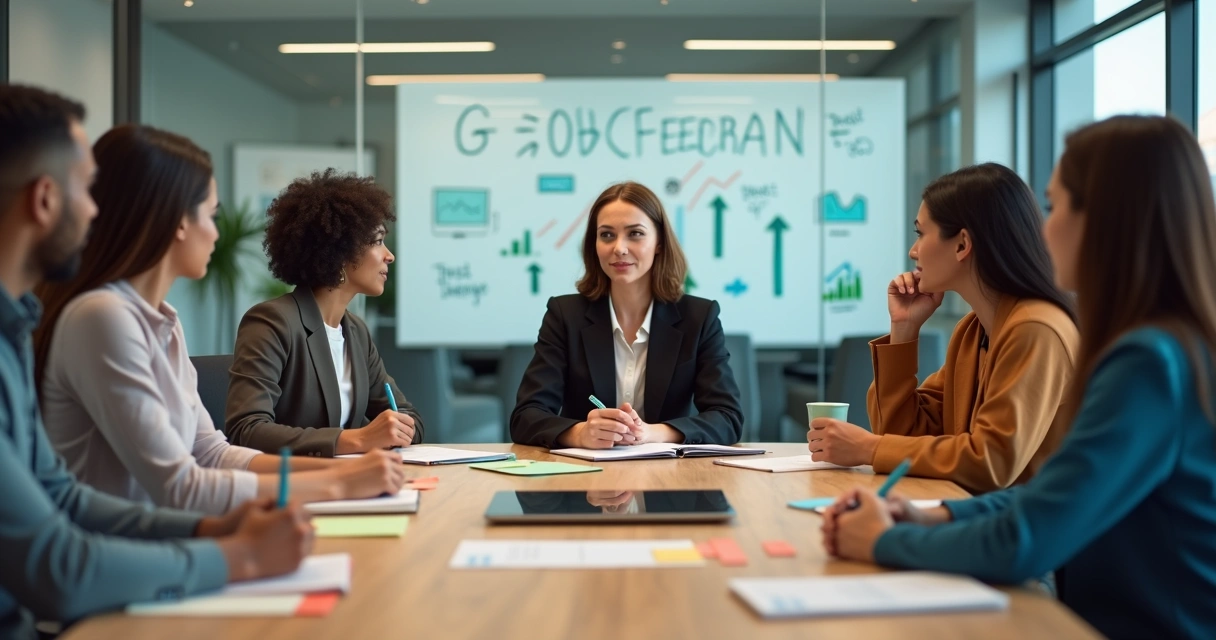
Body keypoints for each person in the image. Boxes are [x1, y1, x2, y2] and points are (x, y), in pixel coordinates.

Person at [822, 115, 1216, 639]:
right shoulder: (1157, 348)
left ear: (1106, 220)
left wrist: (882, 539)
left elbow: (1023, 526)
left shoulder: (1146, 362)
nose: (1043, 228)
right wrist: (931, 517)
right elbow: (1051, 492)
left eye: (1055, 206)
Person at [0, 84, 312, 640]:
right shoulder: (92, 316)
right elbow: (56, 566)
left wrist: (212, 528)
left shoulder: (14, 330)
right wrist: (236, 556)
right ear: (45, 200)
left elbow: (64, 497)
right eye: (86, 190)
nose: (97, 210)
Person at [34, 124, 406, 516]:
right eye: (211, 215)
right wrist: (340, 481)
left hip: (166, 543)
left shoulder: (165, 322)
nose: (215, 233)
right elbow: (180, 487)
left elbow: (211, 453)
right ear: (178, 221)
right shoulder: (103, 318)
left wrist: (351, 468)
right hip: (121, 556)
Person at [808, 163, 1078, 493]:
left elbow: (990, 462)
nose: (913, 251)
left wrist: (868, 448)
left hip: (1029, 537)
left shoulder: (1037, 329)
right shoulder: (973, 331)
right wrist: (903, 329)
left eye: (921, 233)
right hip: (979, 517)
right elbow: (904, 436)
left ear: (963, 245)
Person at [510, 181, 743, 449]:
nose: (619, 248)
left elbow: (728, 419)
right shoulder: (565, 315)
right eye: (607, 235)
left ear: (659, 243)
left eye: (635, 234)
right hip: (586, 480)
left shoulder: (699, 317)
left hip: (670, 480)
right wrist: (579, 433)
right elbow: (525, 417)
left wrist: (652, 433)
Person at [225, 169, 423, 456]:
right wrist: (355, 440)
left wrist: (402, 428)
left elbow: (408, 416)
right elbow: (246, 428)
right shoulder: (272, 322)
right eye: (378, 241)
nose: (388, 255)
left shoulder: (355, 332)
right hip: (293, 489)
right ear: (342, 251)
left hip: (350, 485)